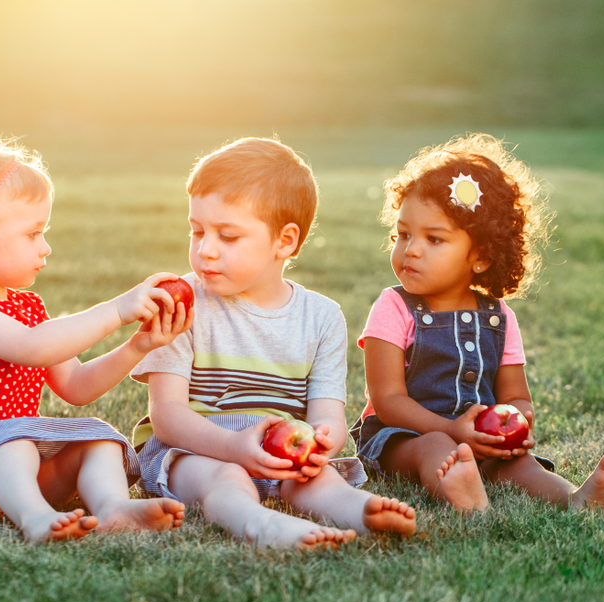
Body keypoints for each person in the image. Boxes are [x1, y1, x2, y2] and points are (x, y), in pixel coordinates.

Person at [0, 134, 189, 542]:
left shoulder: (28, 308)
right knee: (17, 445)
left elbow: (77, 387)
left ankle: (113, 508)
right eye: (33, 233)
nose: (45, 248)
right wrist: (116, 310)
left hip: (12, 462)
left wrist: (138, 346)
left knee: (97, 439)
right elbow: (33, 347)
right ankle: (35, 518)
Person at [130, 137, 417, 550]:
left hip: (282, 454)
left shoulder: (321, 318)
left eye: (227, 236)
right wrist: (231, 447)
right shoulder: (182, 304)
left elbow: (328, 416)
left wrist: (322, 443)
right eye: (197, 231)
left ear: (284, 241)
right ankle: (258, 523)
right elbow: (167, 415)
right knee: (223, 480)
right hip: (197, 450)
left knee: (320, 481)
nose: (205, 250)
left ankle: (361, 510)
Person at [354, 133, 604, 512]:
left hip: (479, 440)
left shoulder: (498, 316)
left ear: (481, 257)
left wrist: (518, 419)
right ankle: (464, 495)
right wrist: (451, 430)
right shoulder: (393, 307)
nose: (411, 249)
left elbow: (515, 395)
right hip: (403, 439)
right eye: (403, 234)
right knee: (435, 448)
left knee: (517, 464)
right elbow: (388, 402)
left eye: (434, 239)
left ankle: (576, 498)